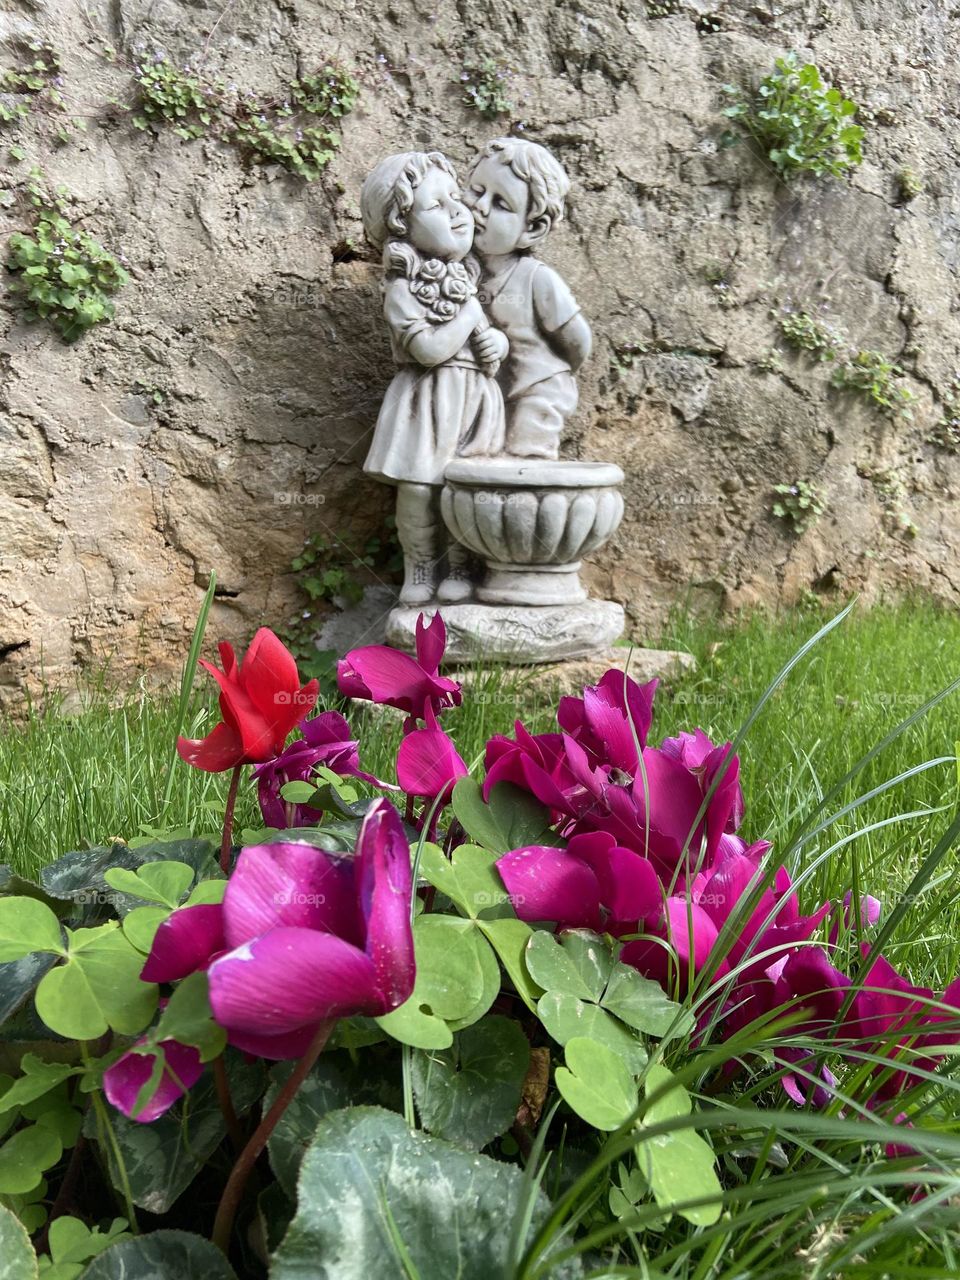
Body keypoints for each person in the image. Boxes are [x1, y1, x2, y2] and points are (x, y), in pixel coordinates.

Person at [360, 151, 508, 605]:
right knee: (419, 491)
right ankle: (420, 569)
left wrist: (497, 344)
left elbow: (488, 339)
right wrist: (470, 318)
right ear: (402, 227)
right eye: (436, 206)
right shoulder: (401, 290)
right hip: (426, 400)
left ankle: (460, 568)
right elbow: (427, 350)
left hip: (474, 397)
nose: (457, 211)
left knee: (464, 487)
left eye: (455, 198)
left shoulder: (466, 280)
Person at [464, 137, 592, 459]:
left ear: (532, 228)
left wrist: (549, 375)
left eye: (500, 203)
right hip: (490, 391)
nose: (480, 206)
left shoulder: (536, 279)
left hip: (538, 392)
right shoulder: (459, 269)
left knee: (525, 458)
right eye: (476, 191)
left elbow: (578, 341)